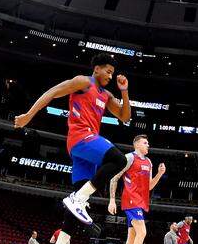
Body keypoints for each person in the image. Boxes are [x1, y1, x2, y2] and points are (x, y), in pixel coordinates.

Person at [13, 53, 132, 226]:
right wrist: (29, 115)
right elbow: (53, 92)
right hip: (81, 137)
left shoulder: (106, 95)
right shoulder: (83, 82)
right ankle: (79, 198)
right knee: (119, 160)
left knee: (78, 205)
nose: (110, 76)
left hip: (87, 146)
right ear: (97, 69)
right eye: (108, 71)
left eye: (112, 73)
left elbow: (125, 117)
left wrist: (124, 91)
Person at [110, 135, 165, 244]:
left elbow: (149, 187)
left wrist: (160, 174)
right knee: (142, 232)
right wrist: (112, 200)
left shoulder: (149, 162)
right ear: (136, 144)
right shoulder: (129, 158)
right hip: (131, 200)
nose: (148, 144)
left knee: (132, 237)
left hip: (141, 201)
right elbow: (114, 177)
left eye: (148, 142)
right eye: (145, 142)